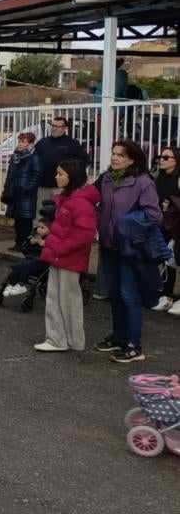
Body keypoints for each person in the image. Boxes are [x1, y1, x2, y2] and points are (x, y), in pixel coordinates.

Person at [93, 139, 162, 363]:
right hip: (108, 245)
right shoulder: (106, 178)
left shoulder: (143, 182)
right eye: (113, 153)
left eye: (120, 155)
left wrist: (128, 226)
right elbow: (93, 201)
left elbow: (154, 216)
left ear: (132, 159)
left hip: (130, 248)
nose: (114, 157)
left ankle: (134, 345)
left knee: (128, 294)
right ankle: (119, 337)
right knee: (114, 293)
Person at [34, 161, 99, 352]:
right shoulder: (69, 199)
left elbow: (85, 233)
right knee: (57, 298)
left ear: (72, 177)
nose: (56, 177)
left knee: (66, 300)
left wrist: (59, 247)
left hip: (68, 258)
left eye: (60, 173)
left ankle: (64, 339)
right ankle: (62, 339)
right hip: (60, 256)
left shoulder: (80, 202)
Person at [34, 117, 88, 206]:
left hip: (63, 188)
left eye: (58, 127)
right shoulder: (42, 143)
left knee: (61, 211)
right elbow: (33, 161)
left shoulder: (73, 144)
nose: (54, 128)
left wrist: (72, 180)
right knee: (42, 212)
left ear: (65, 128)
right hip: (43, 187)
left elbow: (82, 163)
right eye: (53, 126)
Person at [1, 132, 41, 251]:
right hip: (15, 192)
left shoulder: (34, 157)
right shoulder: (15, 156)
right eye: (19, 141)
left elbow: (37, 174)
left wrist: (27, 188)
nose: (20, 144)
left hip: (26, 194)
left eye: (23, 142)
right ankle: (18, 243)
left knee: (25, 221)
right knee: (17, 220)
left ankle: (24, 244)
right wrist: (7, 186)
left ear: (30, 144)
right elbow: (10, 173)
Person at [154, 146, 180, 314]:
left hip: (176, 224)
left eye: (166, 157)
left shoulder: (178, 179)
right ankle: (166, 295)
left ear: (176, 160)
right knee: (166, 259)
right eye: (160, 157)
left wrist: (171, 206)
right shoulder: (159, 179)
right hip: (164, 223)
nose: (161, 160)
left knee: (177, 258)